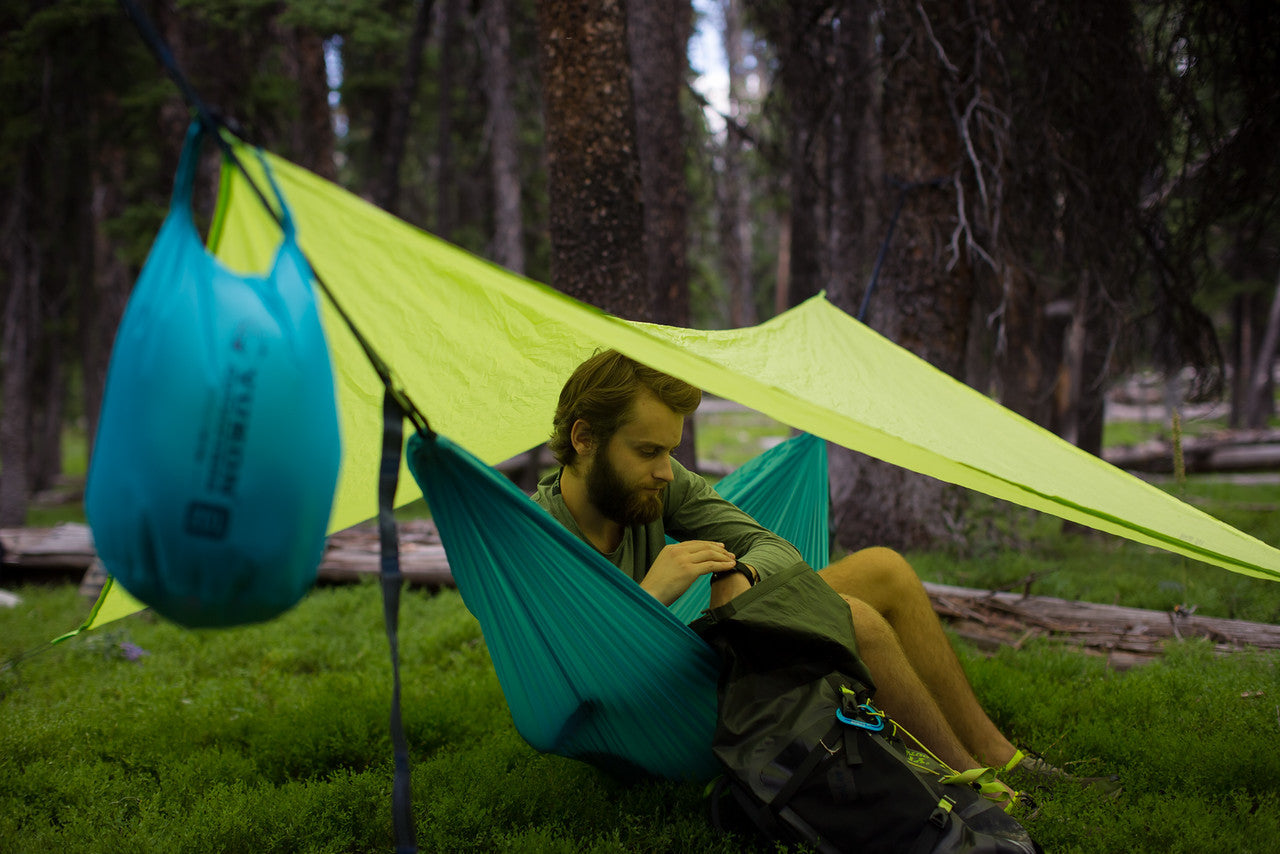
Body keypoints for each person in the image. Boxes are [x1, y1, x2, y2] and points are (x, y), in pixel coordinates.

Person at [532, 349, 1114, 800]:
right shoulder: (534, 539)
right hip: (651, 706)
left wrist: (751, 578)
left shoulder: (661, 483)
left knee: (883, 570)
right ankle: (976, 786)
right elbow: (572, 685)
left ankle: (1001, 754)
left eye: (669, 451)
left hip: (692, 645)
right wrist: (649, 596)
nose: (666, 471)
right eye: (647, 451)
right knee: (853, 618)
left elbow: (769, 545)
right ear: (584, 439)